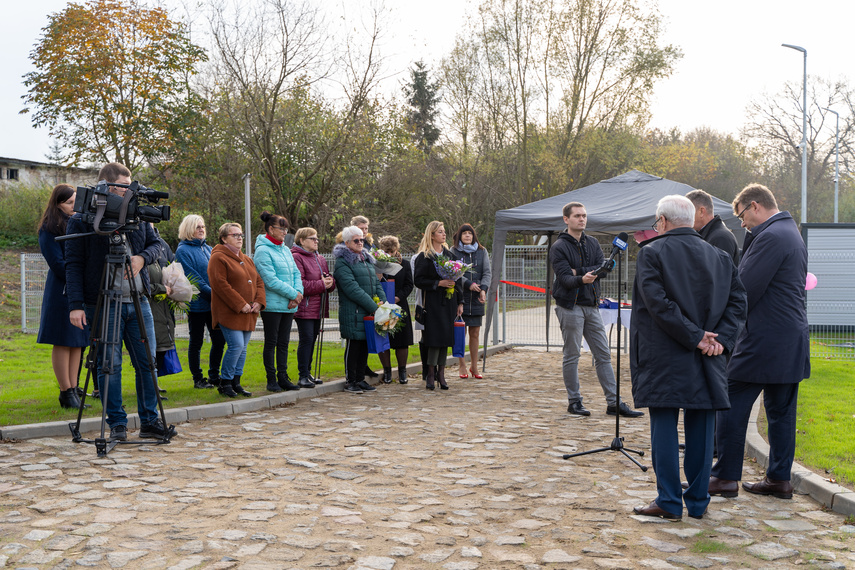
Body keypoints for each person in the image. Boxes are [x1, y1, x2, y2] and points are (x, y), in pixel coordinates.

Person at [629, 195, 747, 521]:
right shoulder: (720, 256)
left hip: (663, 356)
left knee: (664, 428)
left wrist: (699, 338)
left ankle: (669, 501)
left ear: (663, 221)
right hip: (707, 355)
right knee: (702, 429)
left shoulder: (651, 253)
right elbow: (739, 303)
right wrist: (718, 341)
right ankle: (697, 501)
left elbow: (658, 304)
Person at [708, 184, 810, 500]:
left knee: (730, 402)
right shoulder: (790, 232)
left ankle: (725, 477)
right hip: (790, 338)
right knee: (781, 413)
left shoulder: (771, 236)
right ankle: (779, 479)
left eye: (742, 216)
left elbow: (744, 289)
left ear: (755, 205)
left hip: (763, 341)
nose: (742, 224)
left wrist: (718, 325)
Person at [66, 162, 175, 442]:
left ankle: (150, 421)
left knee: (148, 363)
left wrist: (141, 258)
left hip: (138, 300)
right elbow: (73, 265)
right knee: (109, 365)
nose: (130, 192)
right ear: (106, 186)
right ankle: (116, 423)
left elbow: (157, 246)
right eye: (124, 187)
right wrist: (76, 305)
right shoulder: (82, 219)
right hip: (103, 302)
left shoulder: (138, 216)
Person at [549, 202, 643, 418]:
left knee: (603, 354)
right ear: (566, 219)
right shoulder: (559, 247)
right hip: (569, 306)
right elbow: (565, 279)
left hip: (592, 306)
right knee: (572, 355)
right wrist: (582, 276)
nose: (582, 219)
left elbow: (604, 269)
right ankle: (574, 401)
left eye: (584, 215)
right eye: (577, 216)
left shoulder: (592, 242)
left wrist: (580, 272)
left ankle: (614, 402)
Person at [37, 184, 89, 410]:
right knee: (62, 340)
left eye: (76, 202)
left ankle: (74, 389)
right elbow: (57, 263)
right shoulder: (48, 228)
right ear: (57, 204)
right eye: (69, 203)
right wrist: (78, 276)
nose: (74, 207)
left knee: (78, 341)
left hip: (79, 289)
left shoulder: (77, 223)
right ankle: (65, 391)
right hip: (61, 291)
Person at [208, 223, 265, 398]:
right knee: (236, 345)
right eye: (235, 235)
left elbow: (259, 282)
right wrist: (240, 304)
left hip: (249, 312)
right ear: (224, 238)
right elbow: (220, 284)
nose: (240, 238)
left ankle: (236, 382)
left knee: (243, 348)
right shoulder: (218, 258)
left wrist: (259, 301)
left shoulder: (246, 259)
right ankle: (225, 383)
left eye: (241, 235)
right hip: (229, 312)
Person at [254, 212, 304, 392]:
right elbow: (270, 280)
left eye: (286, 229)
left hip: (289, 304)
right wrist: (293, 294)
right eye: (281, 229)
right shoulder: (262, 251)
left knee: (284, 343)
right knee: (271, 342)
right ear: (270, 229)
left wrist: (298, 293)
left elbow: (296, 273)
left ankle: (283, 377)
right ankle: (271, 379)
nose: (285, 232)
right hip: (273, 305)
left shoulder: (285, 249)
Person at [334, 225, 386, 393]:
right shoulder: (343, 262)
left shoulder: (366, 259)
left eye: (362, 240)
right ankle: (350, 381)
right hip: (354, 311)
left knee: (364, 345)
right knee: (354, 345)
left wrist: (382, 302)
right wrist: (373, 306)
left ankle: (360, 379)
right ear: (347, 242)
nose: (360, 243)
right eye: (356, 240)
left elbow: (376, 283)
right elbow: (352, 288)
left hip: (369, 310)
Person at [412, 221, 463, 391]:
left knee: (445, 339)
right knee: (433, 339)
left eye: (444, 231)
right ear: (432, 235)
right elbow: (418, 280)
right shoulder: (424, 257)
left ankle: (442, 374)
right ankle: (430, 373)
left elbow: (458, 280)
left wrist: (460, 302)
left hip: (448, 303)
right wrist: (438, 283)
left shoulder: (450, 256)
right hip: (432, 303)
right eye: (440, 232)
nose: (444, 234)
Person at [175, 214, 224, 389]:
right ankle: (198, 379)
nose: (202, 229)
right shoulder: (182, 251)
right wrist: (216, 295)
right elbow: (194, 278)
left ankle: (214, 375)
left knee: (219, 340)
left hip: (214, 304)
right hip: (197, 304)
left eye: (203, 226)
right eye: (198, 227)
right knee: (196, 342)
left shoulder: (209, 249)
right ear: (189, 229)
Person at [291, 227, 335, 387]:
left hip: (318, 307)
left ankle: (308, 373)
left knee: (313, 339)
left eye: (317, 238)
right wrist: (322, 284)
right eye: (312, 238)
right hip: (305, 306)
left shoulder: (320, 258)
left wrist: (330, 282)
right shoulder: (296, 257)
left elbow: (327, 281)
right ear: (302, 241)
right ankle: (302, 375)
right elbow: (300, 284)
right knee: (307, 339)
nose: (316, 241)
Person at [450, 223, 491, 379]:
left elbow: (487, 272)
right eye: (464, 233)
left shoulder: (482, 251)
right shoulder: (453, 251)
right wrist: (468, 284)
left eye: (470, 233)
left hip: (477, 297)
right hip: (460, 296)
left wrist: (483, 289)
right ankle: (461, 365)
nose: (467, 235)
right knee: (460, 332)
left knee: (475, 333)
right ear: (459, 236)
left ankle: (474, 366)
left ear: (474, 236)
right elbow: (453, 272)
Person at [376, 235, 414, 384]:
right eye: (386, 252)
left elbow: (409, 284)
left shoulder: (405, 264)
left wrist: (399, 297)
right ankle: (387, 371)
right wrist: (379, 277)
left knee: (401, 340)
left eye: (392, 251)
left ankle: (402, 371)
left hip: (399, 304)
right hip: (382, 305)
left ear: (397, 249)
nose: (390, 254)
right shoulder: (378, 264)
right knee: (384, 338)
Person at [146, 227, 176, 399]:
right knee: (149, 349)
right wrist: (160, 288)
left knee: (160, 348)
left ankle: (154, 384)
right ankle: (150, 387)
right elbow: (138, 284)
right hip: (148, 306)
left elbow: (172, 266)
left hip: (163, 307)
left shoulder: (162, 245)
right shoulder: (137, 250)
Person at [686, 189, 741, 265]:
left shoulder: (720, 238)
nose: (686, 217)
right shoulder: (711, 234)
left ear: (701, 211)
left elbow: (719, 270)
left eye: (689, 212)